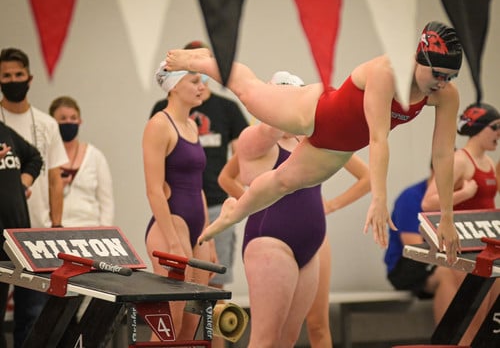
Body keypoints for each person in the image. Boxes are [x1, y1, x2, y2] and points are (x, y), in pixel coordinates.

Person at [165, 21, 463, 263]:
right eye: (438, 73)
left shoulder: (445, 96)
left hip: (337, 148)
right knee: (248, 91)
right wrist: (379, 199)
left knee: (282, 183)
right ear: (417, 58)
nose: (443, 82)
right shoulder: (387, 73)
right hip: (313, 110)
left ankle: (235, 212)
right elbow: (378, 137)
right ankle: (198, 61)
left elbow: (443, 156)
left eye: (451, 76)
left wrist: (447, 217)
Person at [218, 71, 370, 347]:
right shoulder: (260, 140)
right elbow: (229, 175)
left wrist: (332, 205)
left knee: (288, 339)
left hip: (309, 246)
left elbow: (366, 175)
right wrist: (248, 202)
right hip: (271, 239)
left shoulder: (311, 141)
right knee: (266, 339)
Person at [143, 62, 217, 341]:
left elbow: (197, 186)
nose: (202, 87)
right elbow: (153, 190)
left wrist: (207, 235)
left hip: (196, 228)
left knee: (191, 322)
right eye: (195, 81)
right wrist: (173, 240)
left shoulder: (191, 125)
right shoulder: (159, 125)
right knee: (168, 325)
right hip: (170, 226)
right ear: (174, 86)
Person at [0, 48, 67, 347]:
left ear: (29, 78)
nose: (13, 80)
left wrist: (56, 224)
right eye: (6, 76)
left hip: (35, 233)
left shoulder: (47, 124)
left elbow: (54, 177)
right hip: (2, 232)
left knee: (33, 313)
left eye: (18, 75)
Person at [420, 101, 500, 345]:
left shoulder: (487, 163)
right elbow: (428, 202)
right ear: (478, 128)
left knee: (488, 321)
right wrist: (464, 194)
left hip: (489, 247)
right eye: (495, 127)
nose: (499, 134)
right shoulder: (460, 160)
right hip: (464, 246)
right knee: (469, 321)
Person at [0, 122, 42, 348]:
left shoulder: (4, 131)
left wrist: (21, 185)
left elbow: (34, 157)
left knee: (28, 314)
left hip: (13, 242)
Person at [49, 96, 114, 227]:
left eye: (73, 118)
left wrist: (105, 231)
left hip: (91, 227)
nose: (68, 122)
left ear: (80, 121)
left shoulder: (95, 156)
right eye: (63, 118)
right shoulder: (45, 156)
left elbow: (106, 202)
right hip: (54, 228)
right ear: (52, 122)